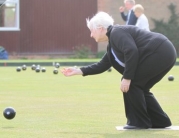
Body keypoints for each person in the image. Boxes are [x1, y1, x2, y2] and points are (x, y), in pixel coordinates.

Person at [61, 12, 177, 129]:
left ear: (100, 28)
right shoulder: (112, 44)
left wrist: (127, 77)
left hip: (159, 51)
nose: (91, 35)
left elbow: (131, 50)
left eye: (92, 30)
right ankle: (160, 121)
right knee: (140, 87)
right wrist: (78, 71)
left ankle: (139, 122)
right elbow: (102, 65)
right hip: (165, 52)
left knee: (132, 84)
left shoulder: (116, 32)